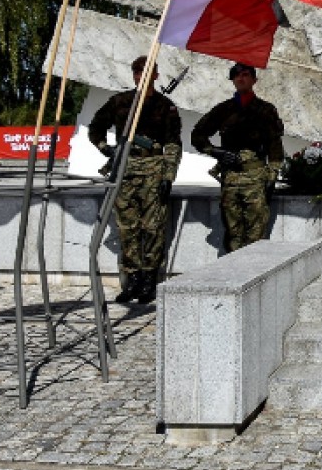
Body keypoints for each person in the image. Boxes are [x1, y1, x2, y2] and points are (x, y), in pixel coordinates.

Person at [89, 56, 182, 303]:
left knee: (153, 228)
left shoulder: (166, 106)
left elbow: (173, 143)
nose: (142, 75)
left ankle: (149, 281)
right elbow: (95, 127)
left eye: (147, 71)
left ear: (155, 75)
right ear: (134, 75)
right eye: (138, 71)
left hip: (153, 168)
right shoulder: (120, 102)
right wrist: (106, 148)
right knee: (127, 227)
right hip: (124, 170)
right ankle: (132, 280)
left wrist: (168, 175)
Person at [191, 62, 284, 253]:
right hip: (231, 178)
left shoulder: (265, 110)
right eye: (236, 75)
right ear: (232, 80)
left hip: (255, 177)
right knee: (232, 232)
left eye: (245, 74)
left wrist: (272, 175)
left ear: (254, 80)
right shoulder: (223, 109)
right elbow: (198, 135)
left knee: (256, 232)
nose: (241, 78)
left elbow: (274, 145)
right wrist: (215, 152)